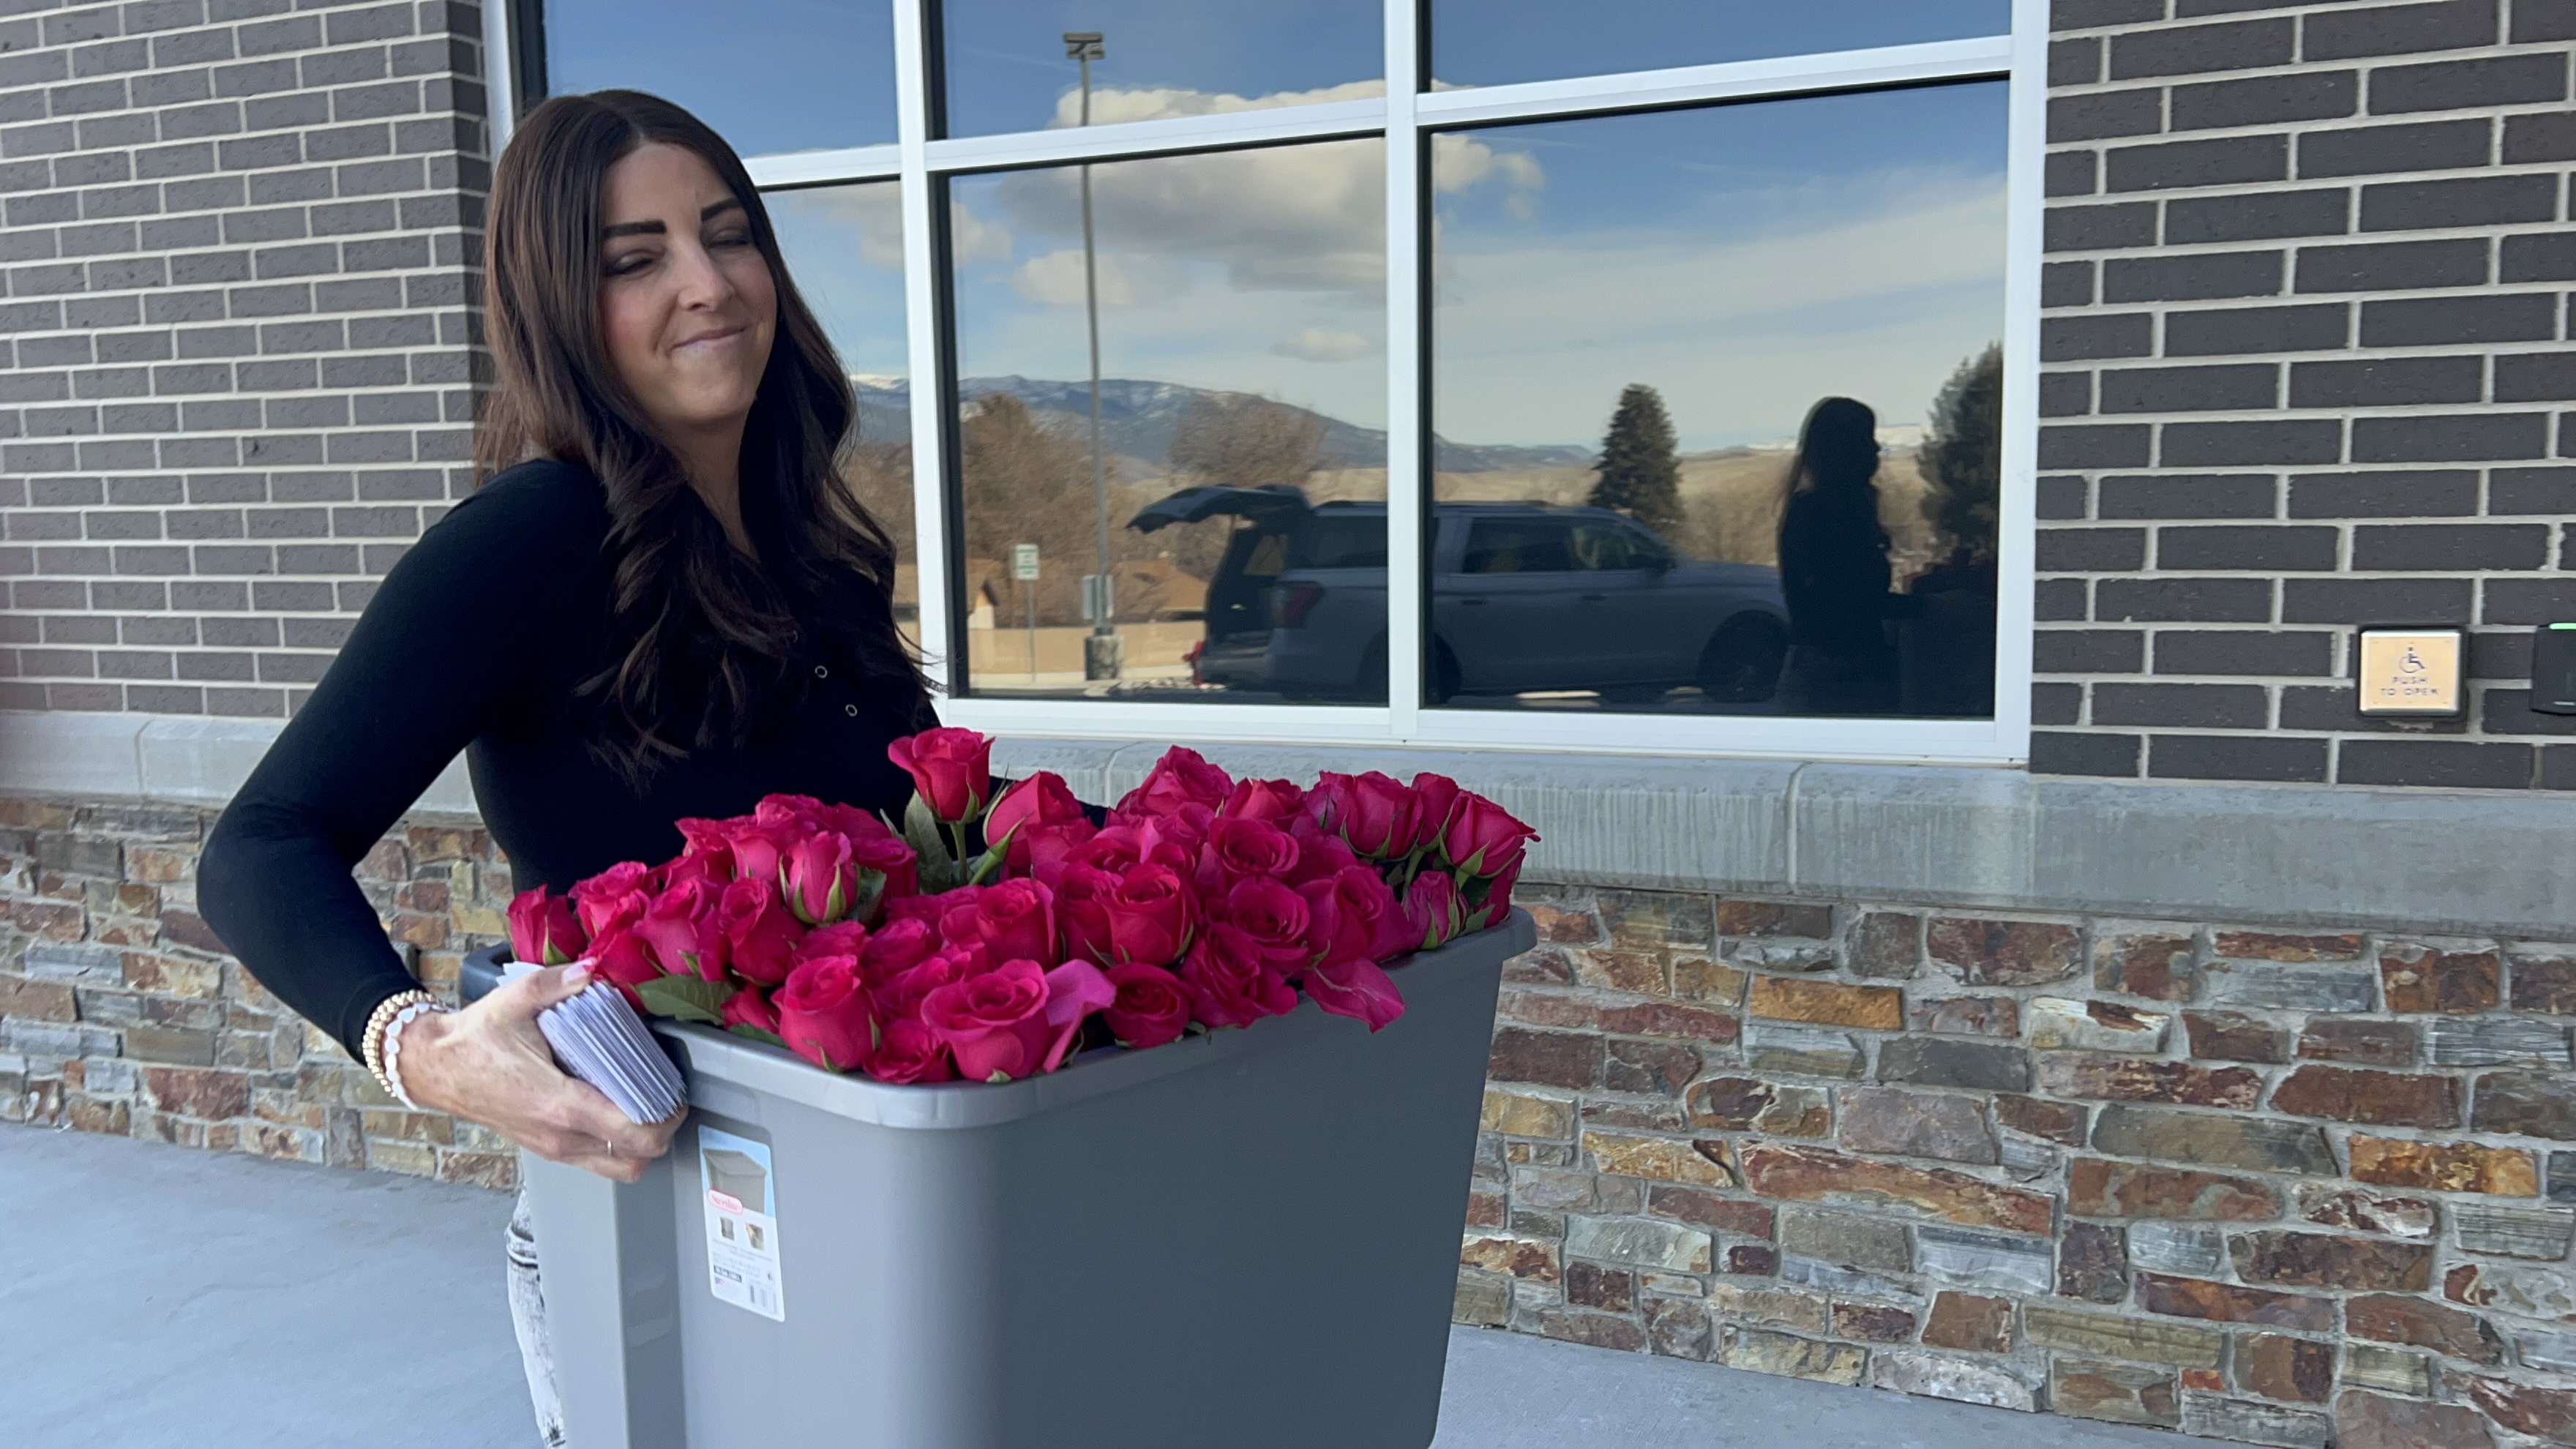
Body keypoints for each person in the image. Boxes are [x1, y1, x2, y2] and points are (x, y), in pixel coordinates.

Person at [196, 90, 935, 1447]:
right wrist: (418, 1048)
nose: (708, 286)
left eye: (728, 237)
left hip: (876, 1207)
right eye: (633, 258)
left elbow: (920, 842)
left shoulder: (812, 548)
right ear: (556, 305)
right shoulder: (530, 541)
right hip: (654, 1238)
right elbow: (262, 843)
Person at [1773, 396, 1909, 715]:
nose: (1876, 450)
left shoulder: (1819, 509)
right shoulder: (1828, 513)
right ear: (1845, 450)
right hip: (1840, 675)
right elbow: (1851, 600)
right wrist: (1936, 606)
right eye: (1867, 439)